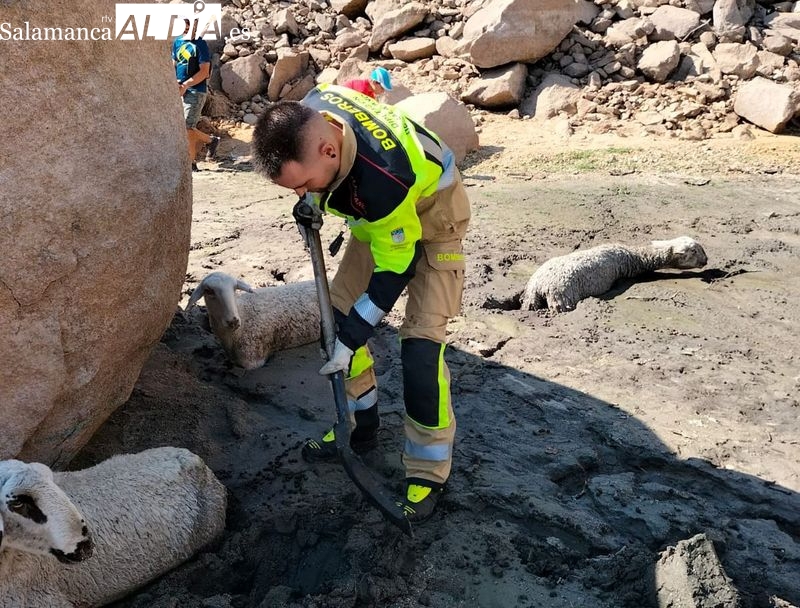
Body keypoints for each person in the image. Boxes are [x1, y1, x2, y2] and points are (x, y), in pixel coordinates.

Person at [251, 84, 470, 523]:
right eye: (292, 189)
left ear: (329, 151)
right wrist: (312, 199)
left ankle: (428, 473)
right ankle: (360, 425)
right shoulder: (311, 110)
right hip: (376, 221)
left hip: (430, 217)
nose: (301, 194)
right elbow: (346, 102)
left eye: (306, 184)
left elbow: (397, 270)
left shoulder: (382, 180)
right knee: (334, 318)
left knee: (421, 352)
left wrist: (353, 338)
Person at [172, 17, 220, 171]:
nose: (189, 32)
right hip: (179, 89)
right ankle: (211, 141)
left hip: (195, 91)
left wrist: (186, 84)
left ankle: (191, 163)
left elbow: (204, 71)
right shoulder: (178, 43)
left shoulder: (201, 45)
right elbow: (174, 64)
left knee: (187, 126)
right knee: (187, 127)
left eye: (191, 28)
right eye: (185, 29)